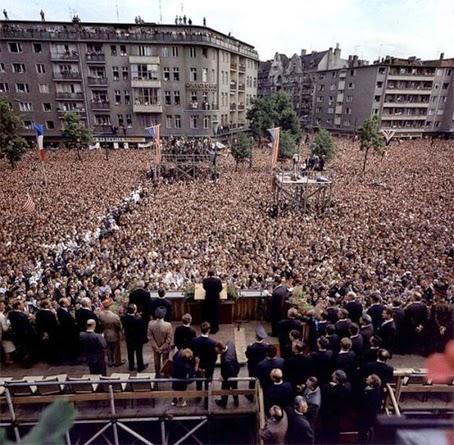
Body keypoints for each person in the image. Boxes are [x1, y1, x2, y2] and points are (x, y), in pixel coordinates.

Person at [320, 370, 352, 444]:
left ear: (336, 379)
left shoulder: (326, 388)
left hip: (327, 415)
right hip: (338, 416)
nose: (332, 376)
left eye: (333, 375)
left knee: (325, 434)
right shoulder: (345, 390)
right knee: (334, 434)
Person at [191, 322, 217, 396]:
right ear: (209, 330)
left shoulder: (194, 341)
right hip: (208, 367)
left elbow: (193, 354)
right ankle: (207, 398)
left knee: (198, 381)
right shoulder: (213, 343)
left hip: (198, 365)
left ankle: (198, 395)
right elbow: (214, 358)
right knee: (208, 382)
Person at [245, 325, 269, 400]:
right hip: (262, 366)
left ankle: (251, 396)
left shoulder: (250, 347)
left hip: (253, 366)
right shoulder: (267, 346)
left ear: (256, 336)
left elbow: (247, 355)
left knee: (252, 380)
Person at [121, 304, 147, 372]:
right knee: (139, 353)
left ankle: (131, 366)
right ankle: (140, 366)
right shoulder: (138, 320)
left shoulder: (124, 318)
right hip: (137, 339)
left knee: (130, 353)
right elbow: (142, 329)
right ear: (135, 310)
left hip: (129, 338)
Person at [147, 307, 173, 377]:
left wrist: (156, 347)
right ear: (164, 315)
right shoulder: (168, 325)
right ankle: (166, 374)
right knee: (165, 360)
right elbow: (169, 339)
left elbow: (150, 337)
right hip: (165, 347)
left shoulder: (150, 324)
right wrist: (162, 347)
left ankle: (157, 374)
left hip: (155, 347)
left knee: (156, 361)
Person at [357, 374, 383, 443]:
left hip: (367, 416)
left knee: (364, 433)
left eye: (368, 378)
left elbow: (368, 405)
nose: (366, 379)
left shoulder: (372, 393)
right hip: (369, 416)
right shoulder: (375, 391)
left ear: (372, 381)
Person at [99, 299, 124, 367]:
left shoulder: (101, 315)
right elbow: (119, 325)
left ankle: (110, 361)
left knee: (108, 348)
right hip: (114, 333)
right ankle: (117, 362)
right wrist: (122, 333)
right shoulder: (114, 316)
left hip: (106, 332)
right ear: (110, 306)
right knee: (116, 348)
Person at [215, 340, 240, 408]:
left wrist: (223, 377)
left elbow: (229, 371)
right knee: (235, 387)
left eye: (218, 352)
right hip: (236, 369)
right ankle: (236, 402)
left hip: (229, 374)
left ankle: (223, 403)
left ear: (222, 350)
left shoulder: (227, 360)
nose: (218, 353)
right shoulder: (230, 343)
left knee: (224, 389)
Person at [35, 299, 60, 364]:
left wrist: (43, 332)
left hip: (42, 332)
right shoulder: (50, 314)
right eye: (49, 303)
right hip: (51, 332)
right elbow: (54, 324)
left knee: (45, 346)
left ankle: (46, 358)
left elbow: (38, 324)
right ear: (46, 305)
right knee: (52, 346)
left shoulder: (38, 313)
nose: (50, 304)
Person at [57, 297, 79, 364]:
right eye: (67, 301)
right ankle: (73, 361)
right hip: (68, 332)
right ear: (63, 304)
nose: (69, 302)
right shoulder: (62, 312)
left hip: (70, 332)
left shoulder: (66, 310)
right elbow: (66, 323)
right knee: (70, 347)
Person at [0, 300, 15, 365]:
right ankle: (7, 360)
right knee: (7, 346)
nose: (4, 306)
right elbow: (5, 328)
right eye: (2, 305)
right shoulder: (1, 316)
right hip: (2, 334)